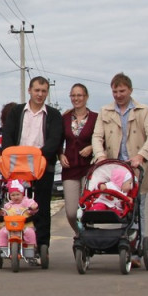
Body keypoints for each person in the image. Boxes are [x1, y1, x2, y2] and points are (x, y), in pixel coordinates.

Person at [92, 73, 148, 266]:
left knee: (137, 209)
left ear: (130, 90)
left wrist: (142, 155)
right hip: (112, 167)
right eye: (115, 91)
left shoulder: (143, 110)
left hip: (135, 167)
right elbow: (97, 137)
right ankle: (113, 242)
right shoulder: (105, 111)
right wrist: (100, 156)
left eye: (122, 91)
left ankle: (137, 250)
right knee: (109, 205)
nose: (118, 95)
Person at [0, 76, 63, 264]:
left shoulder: (53, 114)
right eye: (37, 90)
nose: (40, 94)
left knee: (41, 208)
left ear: (47, 92)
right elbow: (8, 136)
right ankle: (14, 241)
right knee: (15, 205)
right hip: (18, 169)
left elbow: (55, 139)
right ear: (30, 90)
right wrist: (13, 155)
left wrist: (38, 156)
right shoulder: (17, 112)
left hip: (42, 167)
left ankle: (42, 246)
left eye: (43, 91)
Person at [59, 83, 98, 233]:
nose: (76, 98)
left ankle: (89, 240)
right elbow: (58, 140)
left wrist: (92, 147)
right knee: (71, 212)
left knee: (87, 208)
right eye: (73, 95)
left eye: (79, 95)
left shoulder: (95, 118)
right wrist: (60, 154)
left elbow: (102, 139)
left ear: (86, 97)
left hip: (89, 168)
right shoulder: (65, 118)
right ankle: (81, 235)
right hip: (70, 168)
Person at [0, 180, 38, 261]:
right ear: (9, 196)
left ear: (22, 194)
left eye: (18, 194)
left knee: (30, 232)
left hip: (24, 226)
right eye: (13, 195)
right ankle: (3, 248)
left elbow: (33, 207)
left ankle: (31, 248)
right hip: (10, 228)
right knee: (2, 232)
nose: (15, 197)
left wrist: (33, 207)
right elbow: (3, 213)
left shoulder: (26, 202)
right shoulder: (8, 205)